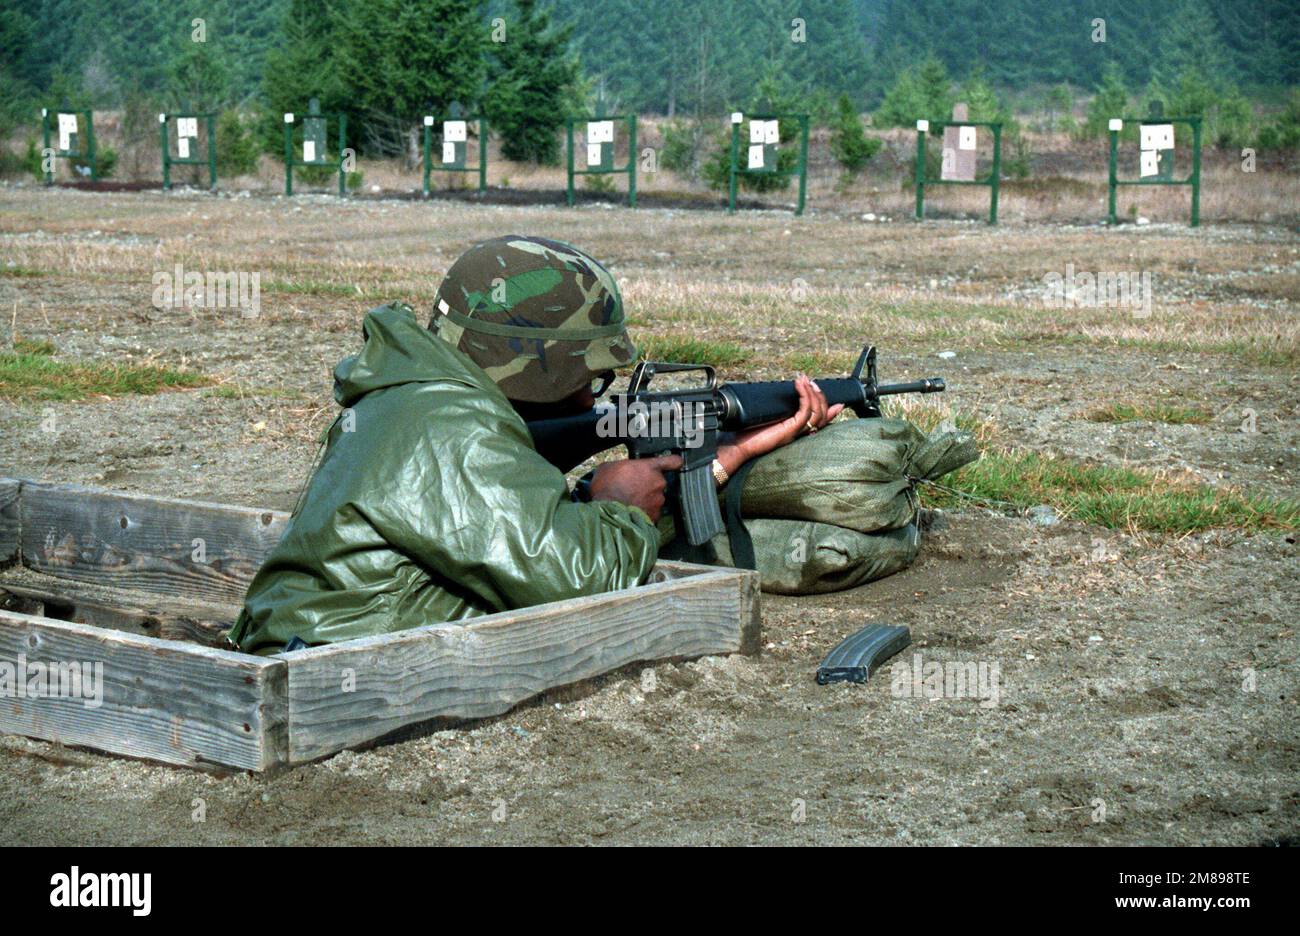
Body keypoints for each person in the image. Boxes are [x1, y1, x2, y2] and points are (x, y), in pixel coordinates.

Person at [226, 235, 838, 653]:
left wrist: (731, 453)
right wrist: (619, 507)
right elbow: (576, 579)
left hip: (336, 631)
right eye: (590, 375)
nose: (593, 398)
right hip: (325, 661)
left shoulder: (419, 395)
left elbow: (500, 531)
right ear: (535, 364)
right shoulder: (450, 428)